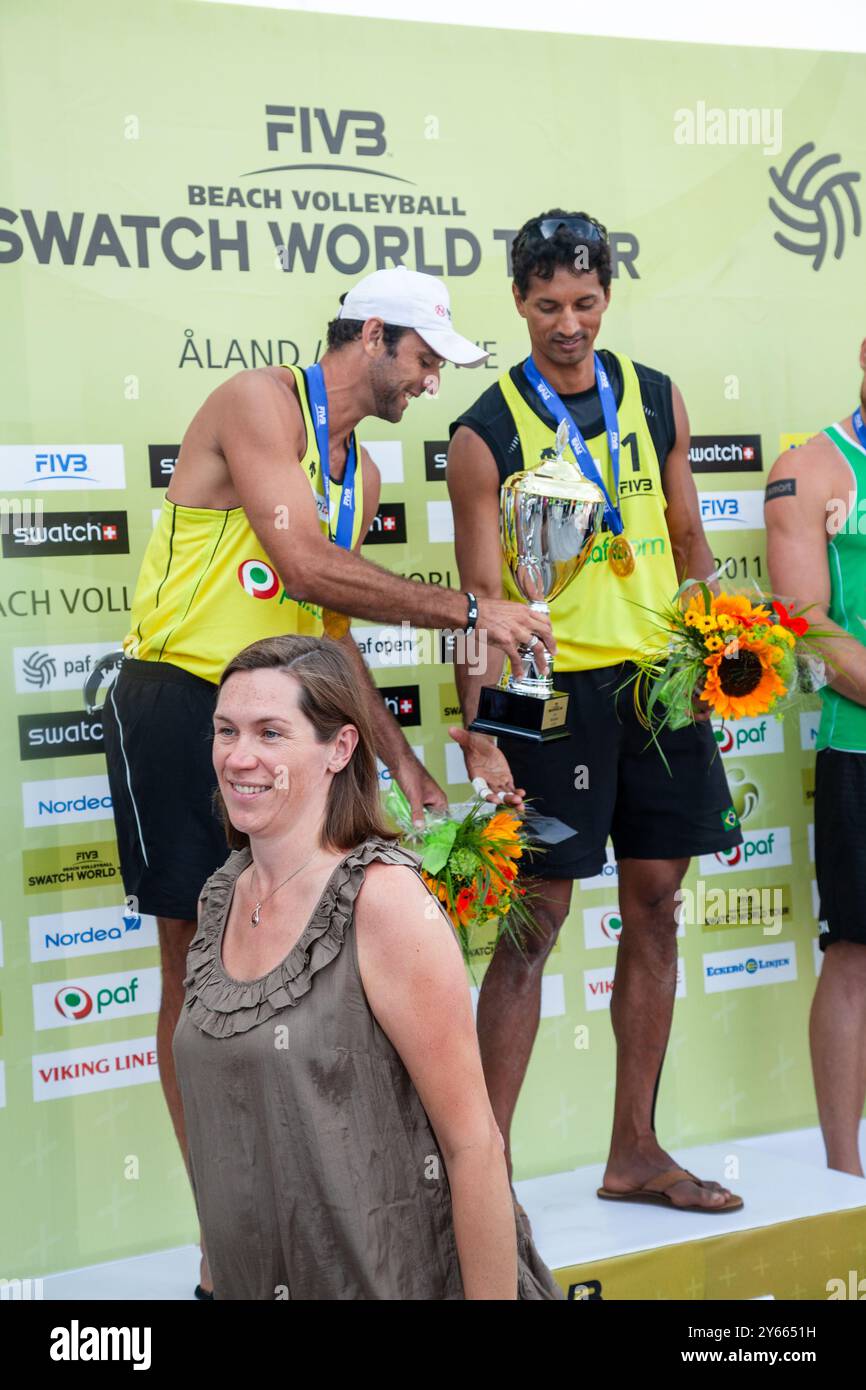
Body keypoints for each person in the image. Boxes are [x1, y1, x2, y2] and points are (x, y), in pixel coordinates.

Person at [101, 265, 555, 1295]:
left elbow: (328, 633)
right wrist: (467, 611)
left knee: (304, 949)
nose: (432, 377)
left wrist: (401, 767)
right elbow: (300, 563)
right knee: (196, 963)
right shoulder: (259, 403)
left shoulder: (367, 473)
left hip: (288, 721)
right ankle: (221, 1234)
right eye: (425, 354)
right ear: (368, 335)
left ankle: (311, 1188)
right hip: (181, 703)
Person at [446, 210, 744, 1214]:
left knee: (656, 903)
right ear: (518, 303)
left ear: (605, 296)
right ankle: (482, 1183)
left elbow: (689, 529)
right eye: (544, 307)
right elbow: (474, 601)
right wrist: (481, 730)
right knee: (531, 924)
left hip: (657, 682)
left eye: (582, 303)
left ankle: (634, 1152)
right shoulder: (484, 432)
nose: (565, 323)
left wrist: (706, 613)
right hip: (545, 690)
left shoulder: (653, 396)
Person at [171, 633, 564, 1300]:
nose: (240, 757)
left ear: (340, 749)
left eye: (271, 733)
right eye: (225, 730)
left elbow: (474, 1146)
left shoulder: (383, 902)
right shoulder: (222, 897)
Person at [764, 336, 866, 1177]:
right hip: (859, 748)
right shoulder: (813, 466)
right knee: (857, 955)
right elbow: (803, 620)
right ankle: (844, 1176)